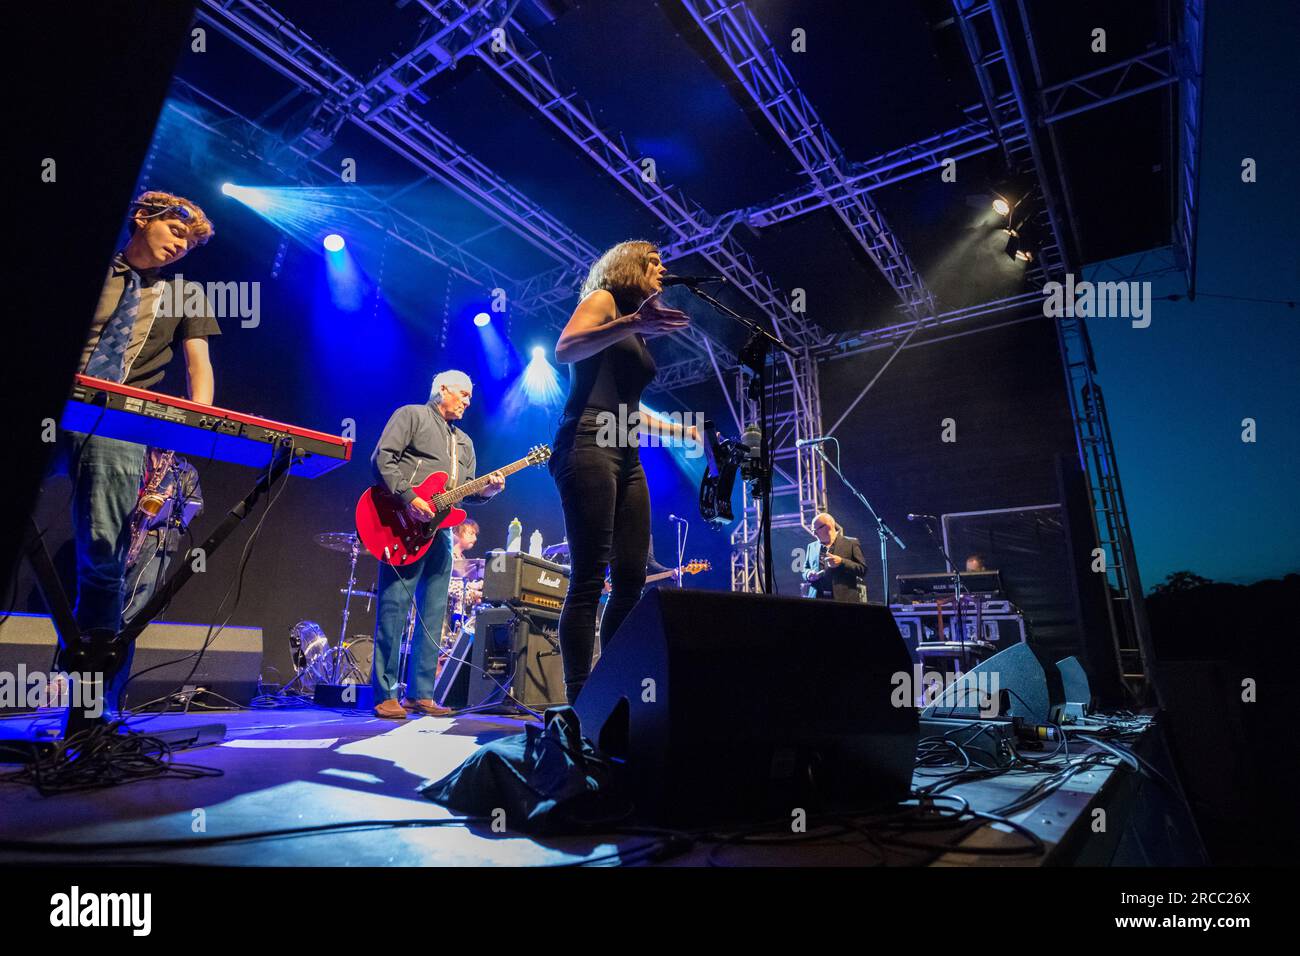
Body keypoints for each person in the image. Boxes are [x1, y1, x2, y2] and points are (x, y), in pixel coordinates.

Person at [46, 190, 216, 661]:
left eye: (189, 244)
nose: (181, 246)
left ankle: (90, 706)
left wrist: (194, 424)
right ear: (142, 218)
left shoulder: (185, 295)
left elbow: (198, 367)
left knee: (104, 560)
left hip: (119, 421)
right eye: (176, 232)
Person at [550, 240, 696, 703]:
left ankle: (610, 692)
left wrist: (684, 431)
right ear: (628, 265)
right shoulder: (604, 301)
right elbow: (565, 349)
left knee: (631, 578)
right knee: (590, 575)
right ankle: (579, 700)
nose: (663, 267)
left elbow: (631, 412)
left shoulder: (633, 327)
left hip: (623, 444)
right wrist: (633, 321)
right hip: (588, 439)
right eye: (654, 260)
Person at [369, 370, 505, 719]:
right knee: (394, 607)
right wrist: (409, 497)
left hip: (441, 532)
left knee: (433, 615)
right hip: (402, 524)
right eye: (462, 393)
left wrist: (486, 490)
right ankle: (385, 693)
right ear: (441, 388)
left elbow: (466, 493)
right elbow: (383, 458)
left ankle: (421, 694)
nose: (467, 400)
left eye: (471, 396)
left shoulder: (465, 443)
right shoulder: (411, 415)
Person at [115, 450, 204, 710]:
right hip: (124, 535)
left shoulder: (184, 469)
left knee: (132, 618)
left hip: (156, 543)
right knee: (102, 610)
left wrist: (167, 505)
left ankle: (115, 691)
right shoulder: (135, 454)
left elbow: (196, 506)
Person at [801, 512, 867, 603]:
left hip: (844, 600)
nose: (814, 534)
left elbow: (862, 570)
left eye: (815, 530)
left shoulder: (851, 543)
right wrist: (808, 574)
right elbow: (805, 569)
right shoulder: (811, 546)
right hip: (816, 599)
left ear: (828, 526)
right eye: (812, 531)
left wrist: (841, 562)